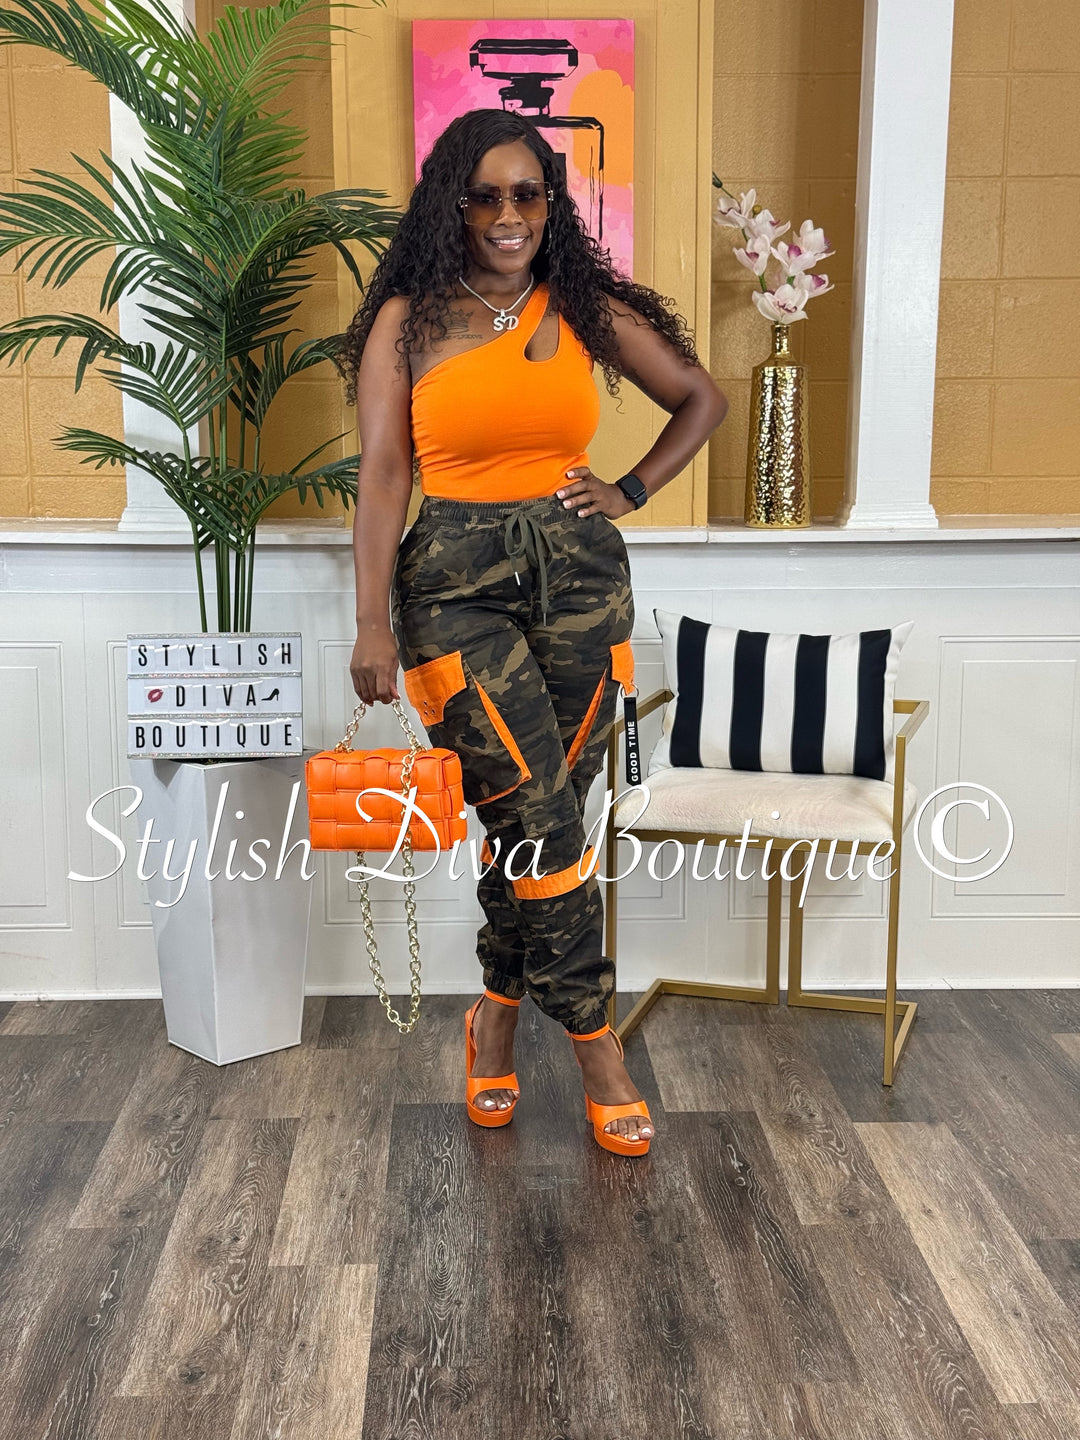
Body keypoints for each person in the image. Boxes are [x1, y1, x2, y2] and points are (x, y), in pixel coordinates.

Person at [338, 108, 726, 1156]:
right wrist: (370, 622)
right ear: (452, 206)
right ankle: (598, 1044)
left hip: (581, 582)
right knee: (539, 817)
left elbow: (700, 397)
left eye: (528, 194)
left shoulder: (583, 305)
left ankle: (497, 1016)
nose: (509, 215)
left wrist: (630, 489)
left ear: (550, 204)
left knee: (541, 820)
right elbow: (384, 474)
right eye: (487, 196)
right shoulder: (409, 322)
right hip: (453, 588)